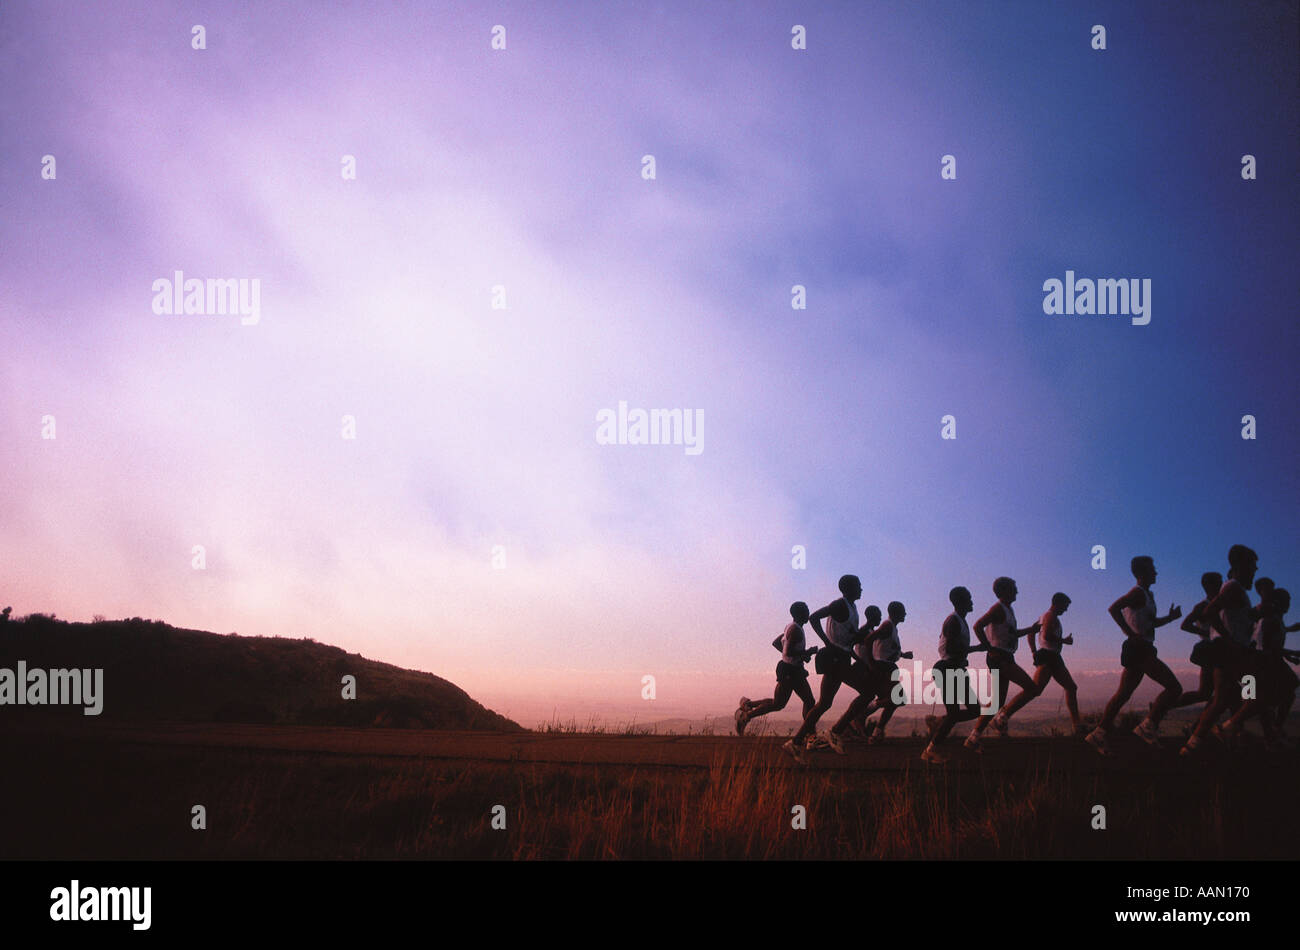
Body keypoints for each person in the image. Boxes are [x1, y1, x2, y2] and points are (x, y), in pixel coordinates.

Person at [1085, 556, 1183, 755]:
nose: (1156, 572)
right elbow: (1113, 608)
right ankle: (1148, 726)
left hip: (1141, 647)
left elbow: (1151, 623)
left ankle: (1098, 733)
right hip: (1139, 649)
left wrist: (1170, 618)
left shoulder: (1147, 595)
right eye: (1152, 569)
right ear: (1142, 573)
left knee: (1123, 694)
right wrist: (1130, 634)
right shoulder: (1137, 593)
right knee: (1174, 687)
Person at [784, 575, 874, 761]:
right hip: (834, 658)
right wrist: (827, 642)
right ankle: (835, 731)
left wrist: (863, 635)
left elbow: (849, 637)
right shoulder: (839, 605)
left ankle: (795, 742)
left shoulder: (852, 608)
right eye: (858, 585)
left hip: (840, 657)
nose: (861, 588)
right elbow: (814, 617)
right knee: (867, 692)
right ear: (848, 588)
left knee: (824, 703)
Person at [1181, 545, 1259, 757]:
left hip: (1229, 654)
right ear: (1240, 566)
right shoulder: (1233, 587)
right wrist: (1229, 639)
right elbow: (1209, 611)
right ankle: (1228, 729)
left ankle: (1192, 745)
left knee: (1221, 700)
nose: (1255, 571)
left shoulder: (1235, 589)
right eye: (1253, 567)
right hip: (1233, 655)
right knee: (1252, 693)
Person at [964, 577, 1041, 750]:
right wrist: (989, 648)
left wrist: (1031, 630)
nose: (1017, 592)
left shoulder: (1008, 610)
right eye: (1014, 588)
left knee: (996, 702)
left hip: (1004, 656)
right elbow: (977, 626)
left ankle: (973, 738)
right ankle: (1002, 718)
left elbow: (1012, 633)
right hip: (1000, 657)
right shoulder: (998, 608)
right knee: (1032, 688)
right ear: (1005, 591)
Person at [997, 593, 1083, 736]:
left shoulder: (1044, 617)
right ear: (1058, 604)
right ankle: (1003, 716)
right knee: (1035, 690)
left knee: (1070, 687)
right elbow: (1047, 636)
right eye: (1065, 606)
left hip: (1050, 656)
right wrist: (1064, 641)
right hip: (1049, 656)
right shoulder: (1050, 616)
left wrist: (1033, 651)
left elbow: (1032, 633)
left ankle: (1077, 725)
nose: (1066, 610)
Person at [922, 586, 987, 763]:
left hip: (954, 669)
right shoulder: (953, 621)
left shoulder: (960, 621)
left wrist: (969, 652)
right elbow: (950, 647)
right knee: (956, 713)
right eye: (969, 598)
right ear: (960, 601)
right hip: (948, 669)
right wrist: (975, 649)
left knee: (974, 710)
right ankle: (930, 750)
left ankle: (937, 724)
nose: (972, 601)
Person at [736, 602, 818, 734]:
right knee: (782, 703)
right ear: (799, 614)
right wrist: (807, 652)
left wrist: (800, 656)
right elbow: (788, 652)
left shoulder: (791, 627)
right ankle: (746, 715)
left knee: (799, 701)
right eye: (806, 611)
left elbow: (777, 643)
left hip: (793, 669)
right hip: (790, 671)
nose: (808, 613)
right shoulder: (795, 630)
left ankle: (748, 707)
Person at [1171, 572, 1224, 710]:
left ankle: (1163, 707)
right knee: (1213, 693)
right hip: (1211, 651)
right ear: (1210, 586)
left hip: (1217, 650)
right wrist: (1208, 633)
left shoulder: (1220, 604)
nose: (1222, 585)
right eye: (1219, 582)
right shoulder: (1202, 606)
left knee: (1205, 693)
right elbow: (1185, 625)